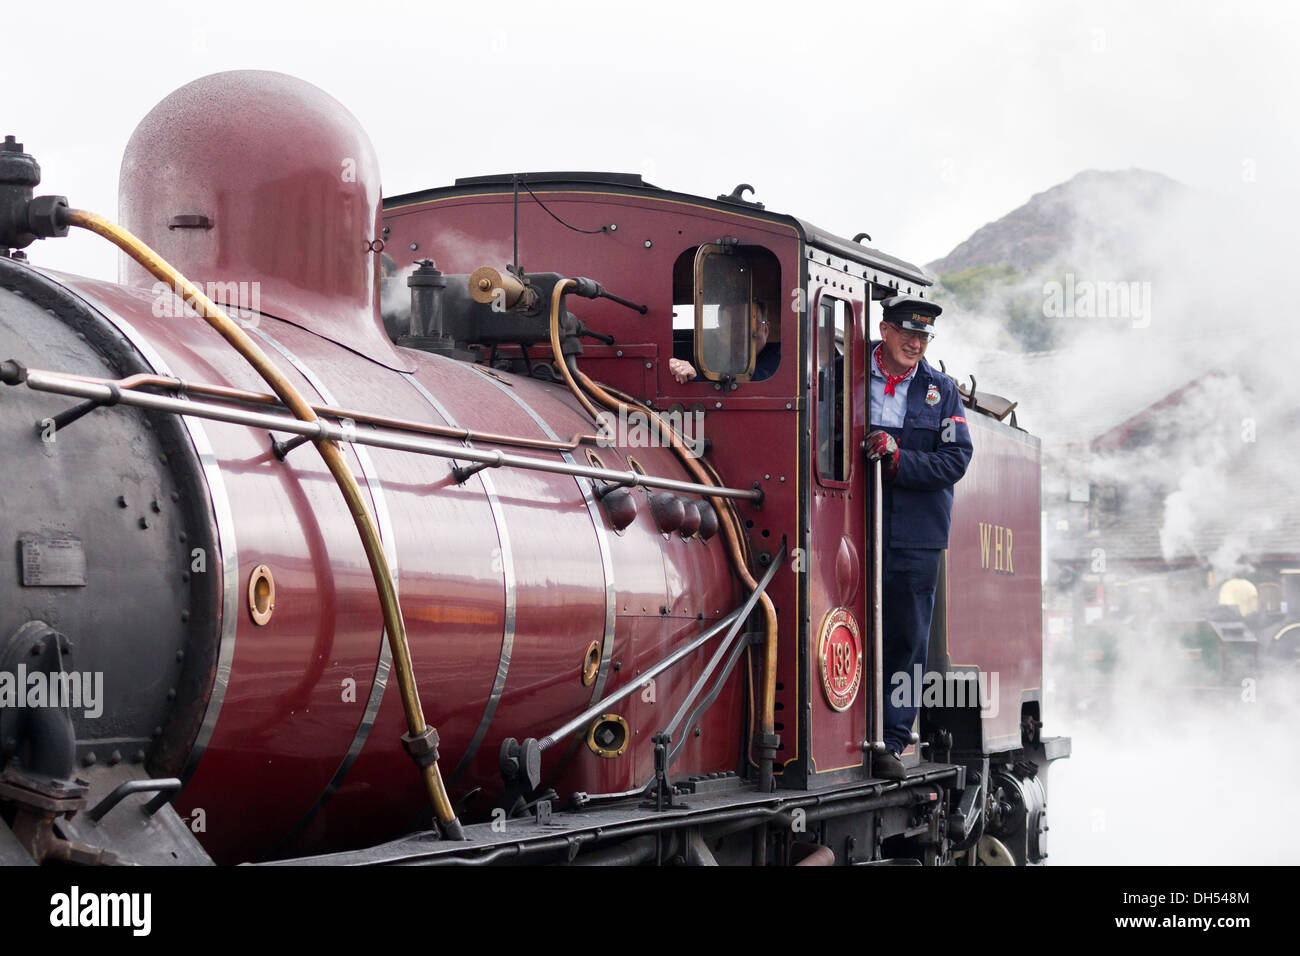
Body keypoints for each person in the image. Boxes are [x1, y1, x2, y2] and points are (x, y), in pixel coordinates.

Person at [864, 295, 973, 780]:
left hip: (916, 533)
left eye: (924, 337)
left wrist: (898, 457)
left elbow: (956, 460)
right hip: (849, 525)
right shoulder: (843, 373)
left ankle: (891, 739)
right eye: (908, 333)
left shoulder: (942, 391)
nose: (915, 343)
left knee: (908, 638)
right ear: (884, 330)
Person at [670, 299, 780, 384]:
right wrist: (681, 369)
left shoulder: (780, 358)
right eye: (734, 326)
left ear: (766, 330)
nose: (743, 333)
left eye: (750, 326)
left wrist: (696, 378)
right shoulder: (712, 360)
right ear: (720, 333)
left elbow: (742, 384)